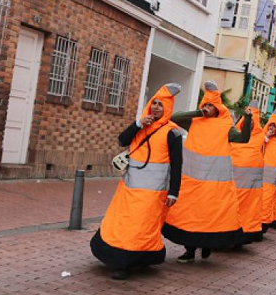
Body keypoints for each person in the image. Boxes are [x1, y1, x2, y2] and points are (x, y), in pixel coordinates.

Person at [90, 83, 183, 280]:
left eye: (161, 105)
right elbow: (122, 140)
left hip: (152, 192)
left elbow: (177, 165)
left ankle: (126, 263)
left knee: (140, 227)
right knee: (121, 223)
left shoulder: (172, 132)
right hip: (129, 188)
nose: (156, 107)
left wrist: (174, 192)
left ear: (168, 108)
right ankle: (116, 256)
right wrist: (139, 124)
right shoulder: (141, 125)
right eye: (154, 103)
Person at [162, 81, 251, 263]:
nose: (208, 108)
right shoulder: (195, 122)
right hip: (192, 183)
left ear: (218, 108)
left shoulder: (225, 128)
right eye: (206, 105)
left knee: (209, 217)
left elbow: (244, 138)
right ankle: (189, 251)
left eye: (211, 105)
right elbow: (174, 117)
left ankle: (207, 246)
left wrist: (248, 119)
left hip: (214, 186)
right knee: (189, 216)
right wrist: (198, 112)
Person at [230, 100, 265, 243]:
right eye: (246, 122)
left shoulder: (260, 139)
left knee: (246, 212)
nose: (248, 125)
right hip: (232, 184)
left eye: (251, 123)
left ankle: (242, 236)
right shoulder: (235, 136)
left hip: (250, 187)